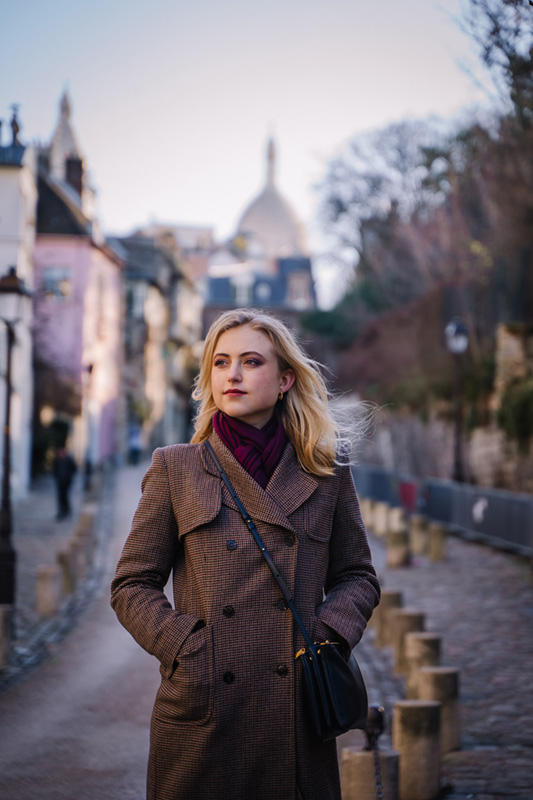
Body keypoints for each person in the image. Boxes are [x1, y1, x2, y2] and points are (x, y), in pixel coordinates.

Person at [111, 308, 380, 800]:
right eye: (220, 362)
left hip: (294, 709)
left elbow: (358, 575)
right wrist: (185, 648)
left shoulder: (326, 472)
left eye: (251, 361)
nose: (232, 375)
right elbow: (132, 584)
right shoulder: (177, 468)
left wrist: (326, 636)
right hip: (206, 707)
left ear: (284, 380)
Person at [52, 445, 77, 520]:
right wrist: (56, 477)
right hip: (59, 481)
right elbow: (54, 470)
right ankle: (61, 512)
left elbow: (74, 469)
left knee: (65, 496)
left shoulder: (69, 460)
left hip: (67, 482)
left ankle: (67, 511)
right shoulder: (57, 460)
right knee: (60, 497)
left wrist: (69, 476)